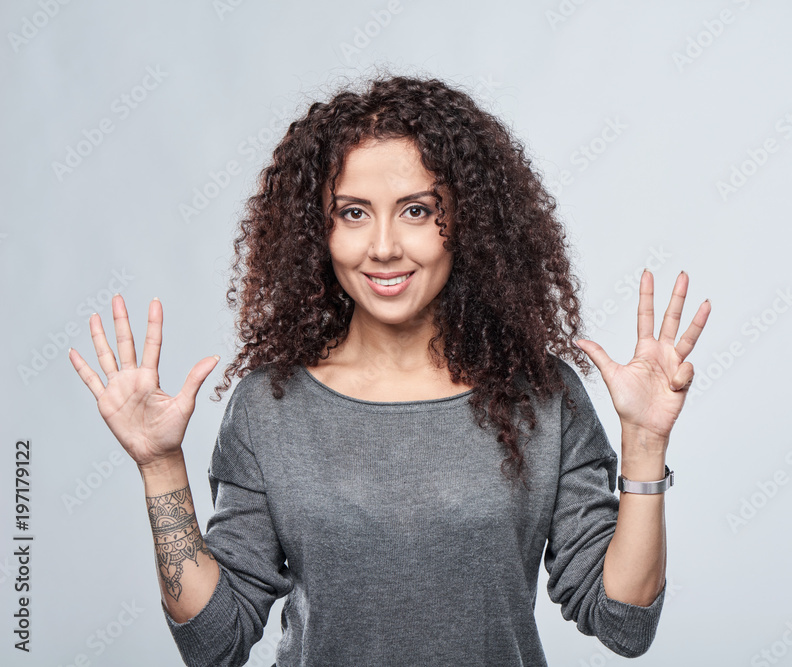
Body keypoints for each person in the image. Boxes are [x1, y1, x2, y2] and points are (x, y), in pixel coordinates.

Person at [69, 72, 710, 666]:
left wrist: (647, 445)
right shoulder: (271, 404)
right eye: (353, 212)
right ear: (317, 230)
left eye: (416, 210)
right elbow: (216, 639)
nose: (382, 246)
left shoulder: (540, 396)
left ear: (467, 223)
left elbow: (624, 624)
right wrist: (159, 467)